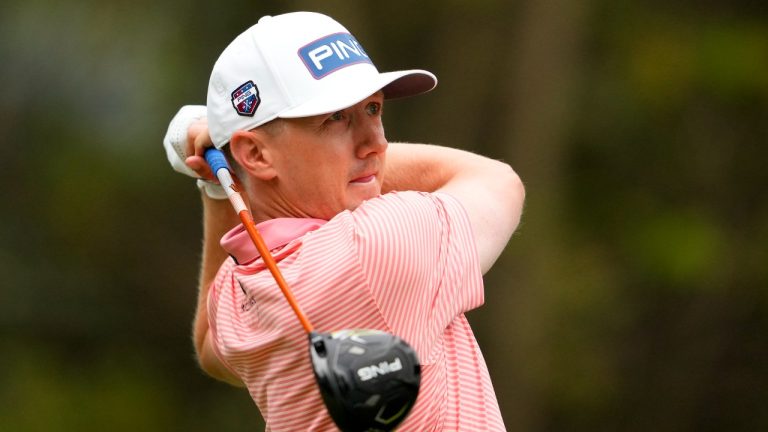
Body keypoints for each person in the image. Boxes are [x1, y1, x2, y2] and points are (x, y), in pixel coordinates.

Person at [163, 11, 525, 431]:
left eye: (373, 108)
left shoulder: (240, 286)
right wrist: (228, 162)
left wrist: (222, 180)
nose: (378, 141)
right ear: (257, 155)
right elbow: (497, 180)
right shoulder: (376, 244)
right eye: (335, 118)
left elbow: (211, 346)